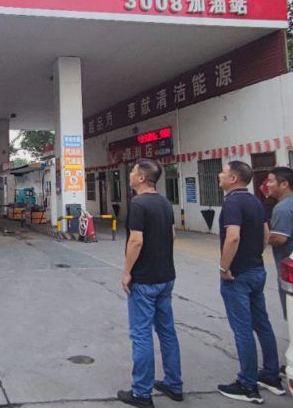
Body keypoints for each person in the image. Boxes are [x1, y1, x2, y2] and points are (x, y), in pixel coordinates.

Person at [117, 158, 183, 408]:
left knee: (141, 333)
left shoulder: (138, 203)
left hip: (144, 280)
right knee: (167, 331)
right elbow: (172, 235)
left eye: (133, 171)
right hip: (166, 277)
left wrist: (127, 272)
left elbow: (136, 240)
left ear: (142, 178)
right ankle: (174, 384)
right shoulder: (165, 202)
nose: (130, 174)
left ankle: (141, 393)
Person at [217, 161, 283, 403]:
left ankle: (247, 384)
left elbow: (232, 237)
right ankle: (271, 375)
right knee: (262, 323)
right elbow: (266, 235)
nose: (220, 175)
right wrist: (254, 254)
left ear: (233, 178)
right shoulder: (255, 201)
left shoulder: (232, 202)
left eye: (224, 172)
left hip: (238, 275)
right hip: (257, 269)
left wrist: (225, 267)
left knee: (243, 329)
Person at [266, 167, 293, 319]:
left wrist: (259, 237)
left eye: (271, 181)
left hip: (289, 267)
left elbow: (279, 238)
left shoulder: (283, 208)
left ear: (284, 184)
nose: (268, 185)